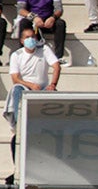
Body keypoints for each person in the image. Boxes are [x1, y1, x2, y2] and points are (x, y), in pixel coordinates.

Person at [4, 27, 60, 171]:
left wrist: (52, 84)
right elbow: (15, 78)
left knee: (55, 94)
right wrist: (30, 85)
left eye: (33, 37)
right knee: (16, 90)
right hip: (26, 87)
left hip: (43, 88)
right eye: (27, 37)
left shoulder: (44, 50)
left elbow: (56, 66)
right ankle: (19, 124)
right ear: (22, 41)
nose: (31, 40)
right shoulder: (16, 55)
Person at [16, 0, 68, 65]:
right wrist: (33, 17)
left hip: (48, 20)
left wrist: (53, 17)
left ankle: (58, 57)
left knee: (60, 24)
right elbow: (21, 9)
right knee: (24, 23)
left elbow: (59, 9)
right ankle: (23, 55)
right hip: (33, 20)